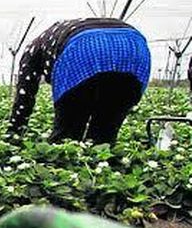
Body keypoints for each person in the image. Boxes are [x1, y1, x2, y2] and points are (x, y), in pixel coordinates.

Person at [10, 18, 151, 145]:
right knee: (103, 136)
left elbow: (25, 94)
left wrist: (14, 132)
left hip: (84, 48)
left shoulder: (32, 50)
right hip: (134, 48)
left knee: (66, 139)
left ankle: (64, 164)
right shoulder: (54, 36)